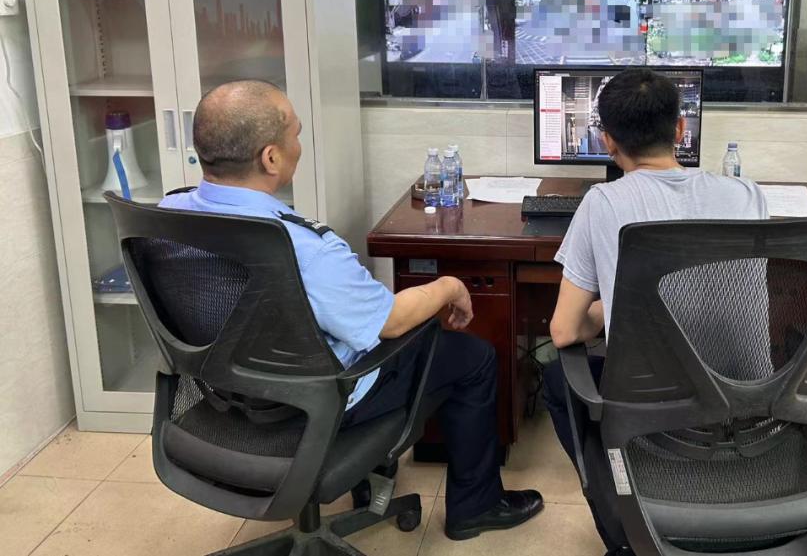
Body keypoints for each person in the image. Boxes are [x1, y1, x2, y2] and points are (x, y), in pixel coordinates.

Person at [160, 80, 542, 541]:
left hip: (225, 398)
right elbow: (390, 322)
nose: (300, 144)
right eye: (296, 134)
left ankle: (371, 481)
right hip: (316, 406)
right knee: (472, 357)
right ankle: (474, 507)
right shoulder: (303, 247)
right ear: (271, 158)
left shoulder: (165, 217)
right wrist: (449, 286)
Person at [541, 68, 769, 556]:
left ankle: (624, 532)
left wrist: (608, 311)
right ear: (681, 130)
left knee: (556, 377)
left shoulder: (603, 203)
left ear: (607, 141)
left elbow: (563, 331)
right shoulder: (749, 195)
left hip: (654, 425)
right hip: (750, 417)